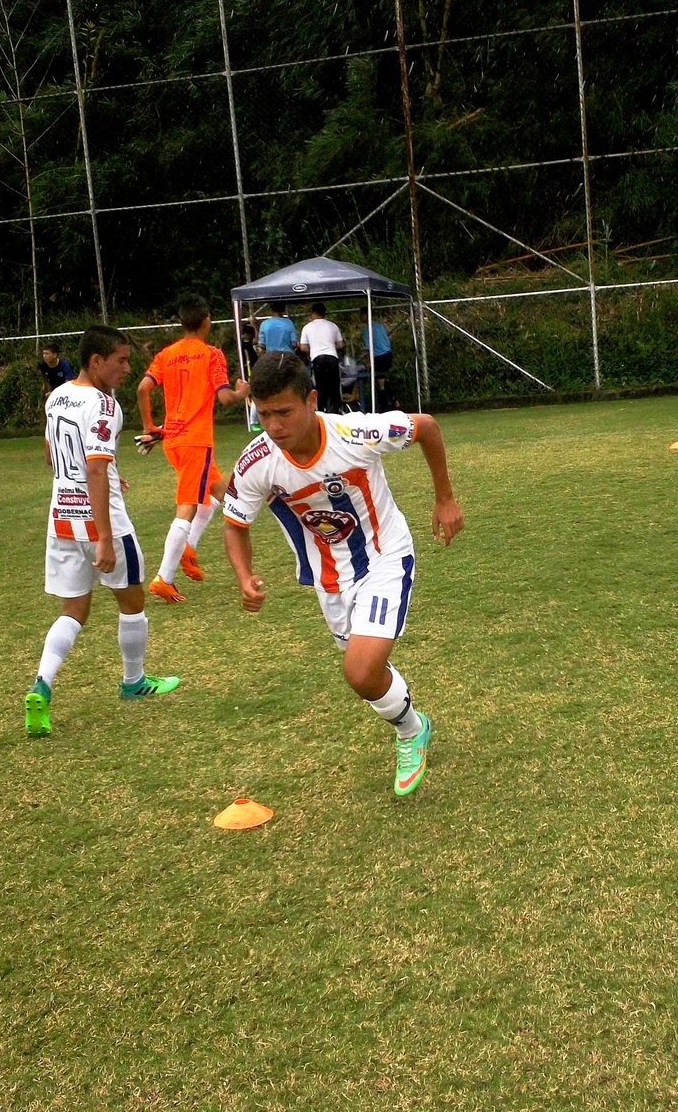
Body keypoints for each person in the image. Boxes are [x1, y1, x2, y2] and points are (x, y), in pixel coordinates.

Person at [221, 351, 464, 796]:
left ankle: (410, 733)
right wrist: (243, 575)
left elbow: (426, 426)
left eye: (284, 412)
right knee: (367, 674)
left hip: (385, 555)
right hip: (329, 578)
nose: (274, 425)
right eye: (264, 413)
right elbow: (235, 524)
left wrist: (444, 498)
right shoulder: (257, 461)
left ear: (312, 399)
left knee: (358, 670)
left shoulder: (356, 434)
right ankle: (414, 721)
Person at [24, 324, 180, 738]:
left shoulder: (56, 396)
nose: (129, 368)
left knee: (73, 611)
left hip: (61, 518)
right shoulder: (106, 405)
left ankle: (41, 684)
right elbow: (93, 466)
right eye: (122, 360)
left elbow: (51, 457)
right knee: (132, 599)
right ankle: (134, 682)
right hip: (101, 521)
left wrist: (111, 472)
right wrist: (106, 537)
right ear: (97, 361)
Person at [137, 293, 250, 602]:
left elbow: (143, 388)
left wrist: (150, 426)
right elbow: (225, 397)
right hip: (195, 440)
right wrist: (242, 392)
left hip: (173, 440)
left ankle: (188, 548)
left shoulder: (166, 354)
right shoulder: (211, 354)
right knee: (187, 506)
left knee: (220, 496)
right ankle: (164, 577)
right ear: (207, 321)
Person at [299, 302, 345, 414]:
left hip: (317, 358)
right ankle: (334, 410)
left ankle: (321, 410)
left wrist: (312, 346)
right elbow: (340, 344)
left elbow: (303, 347)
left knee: (320, 386)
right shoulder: (332, 325)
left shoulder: (307, 327)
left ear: (313, 313)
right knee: (334, 386)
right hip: (332, 357)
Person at [359, 308, 395, 412]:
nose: (361, 317)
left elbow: (368, 347)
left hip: (380, 357)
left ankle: (384, 407)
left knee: (380, 383)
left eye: (362, 315)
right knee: (384, 379)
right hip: (388, 354)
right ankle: (393, 400)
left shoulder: (367, 328)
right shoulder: (380, 326)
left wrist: (366, 360)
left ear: (366, 315)